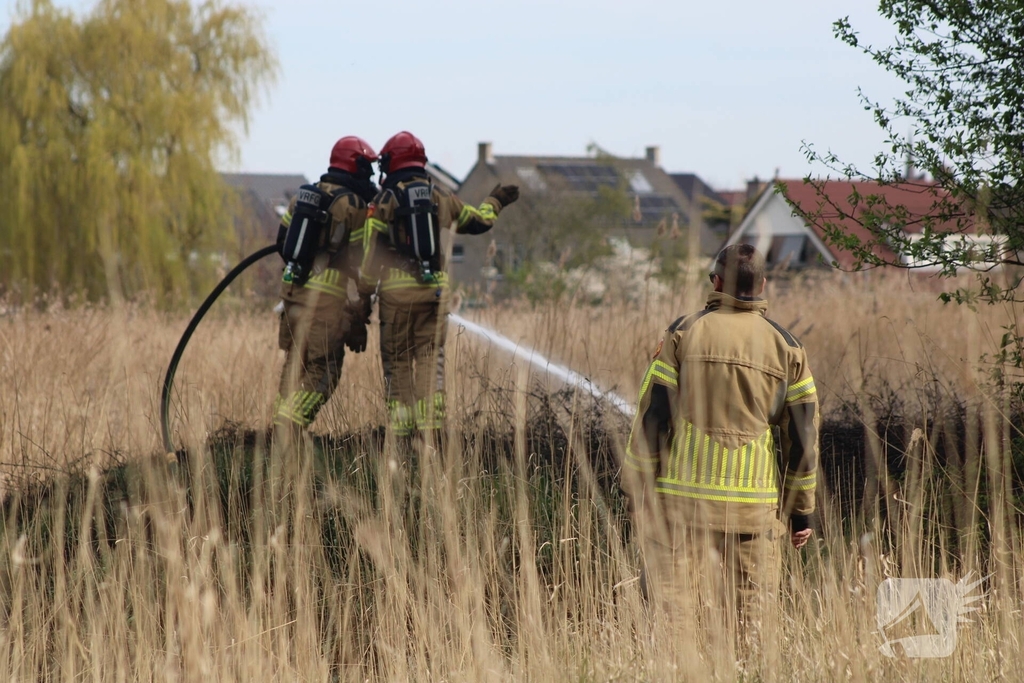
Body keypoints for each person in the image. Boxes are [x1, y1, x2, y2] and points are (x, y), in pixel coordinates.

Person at [623, 243, 818, 642]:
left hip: (681, 511)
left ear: (715, 282)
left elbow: (653, 417)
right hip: (754, 515)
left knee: (672, 627)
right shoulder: (788, 347)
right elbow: (802, 437)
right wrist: (801, 512)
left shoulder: (683, 332)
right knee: (750, 631)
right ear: (762, 285)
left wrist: (637, 491)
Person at [353, 131, 519, 437]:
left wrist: (363, 296)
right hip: (434, 295)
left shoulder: (383, 201)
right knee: (431, 358)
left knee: (399, 362)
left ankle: (403, 436)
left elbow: (369, 255)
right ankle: (432, 433)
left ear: (392, 163)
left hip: (396, 298)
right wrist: (495, 201)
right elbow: (478, 221)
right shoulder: (440, 196)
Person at [272, 136, 379, 434]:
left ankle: (278, 435)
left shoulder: (302, 196)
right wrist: (358, 319)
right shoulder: (354, 207)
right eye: (366, 168)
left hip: (291, 295)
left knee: (296, 364)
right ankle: (289, 426)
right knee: (324, 370)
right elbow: (361, 265)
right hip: (324, 303)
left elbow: (281, 243)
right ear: (354, 166)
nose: (370, 176)